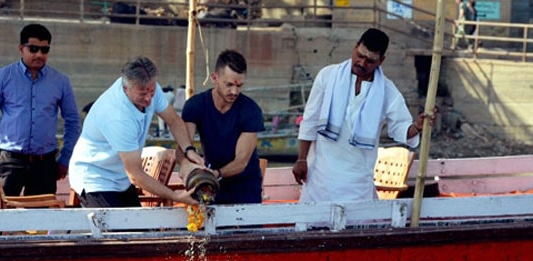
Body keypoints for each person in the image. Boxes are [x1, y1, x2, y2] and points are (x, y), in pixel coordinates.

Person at [292, 28, 434, 204]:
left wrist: (418, 127)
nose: (362, 63)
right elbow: (310, 120)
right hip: (321, 175)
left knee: (355, 226)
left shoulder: (388, 92)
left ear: (381, 61)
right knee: (313, 225)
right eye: (360, 55)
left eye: (370, 61)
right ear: (356, 47)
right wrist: (301, 159)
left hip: (357, 180)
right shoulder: (327, 76)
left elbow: (401, 130)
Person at [68, 56, 205, 208]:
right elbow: (135, 175)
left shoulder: (150, 87)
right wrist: (175, 196)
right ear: (126, 88)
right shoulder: (117, 116)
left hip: (121, 176)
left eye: (151, 92)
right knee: (117, 230)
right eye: (142, 94)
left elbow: (173, 120)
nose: (148, 99)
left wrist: (189, 149)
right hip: (96, 177)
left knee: (139, 229)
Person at [0, 23, 81, 198]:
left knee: (40, 219)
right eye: (33, 48)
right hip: (11, 161)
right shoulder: (2, 78)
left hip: (45, 162)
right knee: (2, 218)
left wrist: (65, 158)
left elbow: (73, 121)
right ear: (21, 49)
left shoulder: (60, 81)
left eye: (44, 50)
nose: (39, 54)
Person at [181, 49, 265, 205]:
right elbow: (183, 144)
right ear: (215, 78)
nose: (234, 91)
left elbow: (241, 161)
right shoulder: (195, 105)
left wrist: (216, 173)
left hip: (245, 187)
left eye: (239, 86)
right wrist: (187, 164)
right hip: (207, 182)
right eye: (229, 85)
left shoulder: (251, 110)